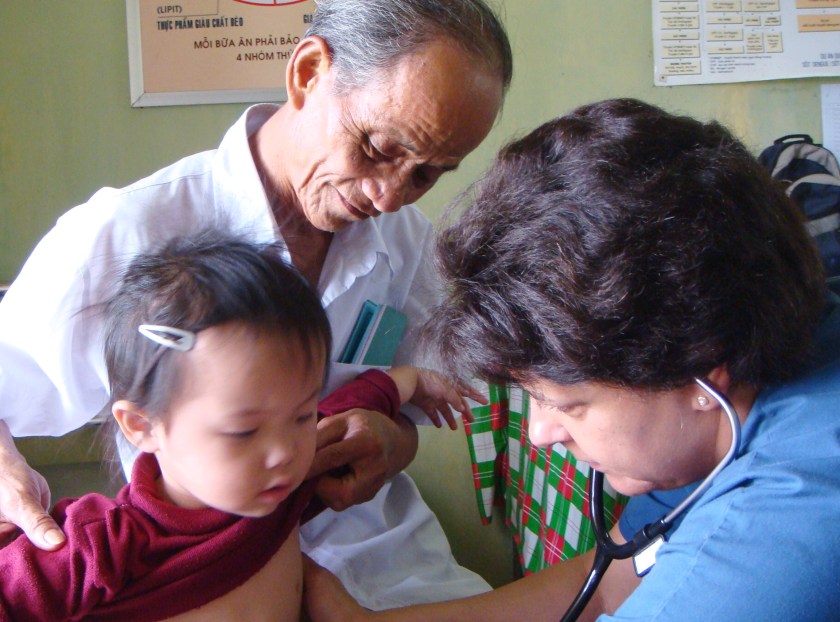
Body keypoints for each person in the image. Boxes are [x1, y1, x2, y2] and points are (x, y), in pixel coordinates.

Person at [0, 0, 511, 609]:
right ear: (308, 72)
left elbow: (416, 397)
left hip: (383, 560)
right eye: (377, 148)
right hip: (203, 578)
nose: (388, 196)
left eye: (427, 174)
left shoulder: (404, 241)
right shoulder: (127, 231)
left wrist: (393, 444)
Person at [301, 98, 840, 621]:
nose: (540, 434)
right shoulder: (729, 390)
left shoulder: (779, 536)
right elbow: (610, 582)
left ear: (702, 369)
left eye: (568, 404)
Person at [0, 233, 481, 621]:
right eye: (243, 432)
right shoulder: (100, 547)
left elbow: (344, 411)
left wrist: (407, 381)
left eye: (300, 416)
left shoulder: (283, 482)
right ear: (142, 425)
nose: (284, 450)